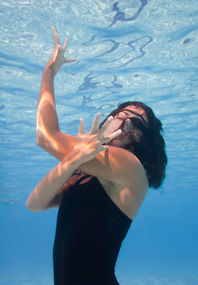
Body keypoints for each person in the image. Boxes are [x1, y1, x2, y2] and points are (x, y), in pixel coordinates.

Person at [26, 27, 167, 285]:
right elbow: (35, 204)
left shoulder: (130, 166)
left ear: (144, 139)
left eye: (136, 122)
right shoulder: (84, 168)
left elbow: (45, 137)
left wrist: (49, 73)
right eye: (121, 116)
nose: (126, 123)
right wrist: (73, 160)